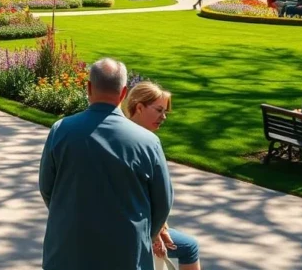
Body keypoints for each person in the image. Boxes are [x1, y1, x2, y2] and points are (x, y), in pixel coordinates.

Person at [39, 58, 172, 270]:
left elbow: (47, 188)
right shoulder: (148, 142)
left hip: (67, 253)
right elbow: (162, 203)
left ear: (89, 88)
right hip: (127, 255)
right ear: (123, 93)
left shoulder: (61, 130)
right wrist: (145, 233)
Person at [124, 82, 201, 270]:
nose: (163, 117)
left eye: (165, 112)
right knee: (189, 246)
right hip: (133, 231)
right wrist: (155, 233)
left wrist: (161, 228)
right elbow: (160, 199)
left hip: (135, 225)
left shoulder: (124, 136)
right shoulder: (146, 144)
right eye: (159, 110)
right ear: (139, 107)